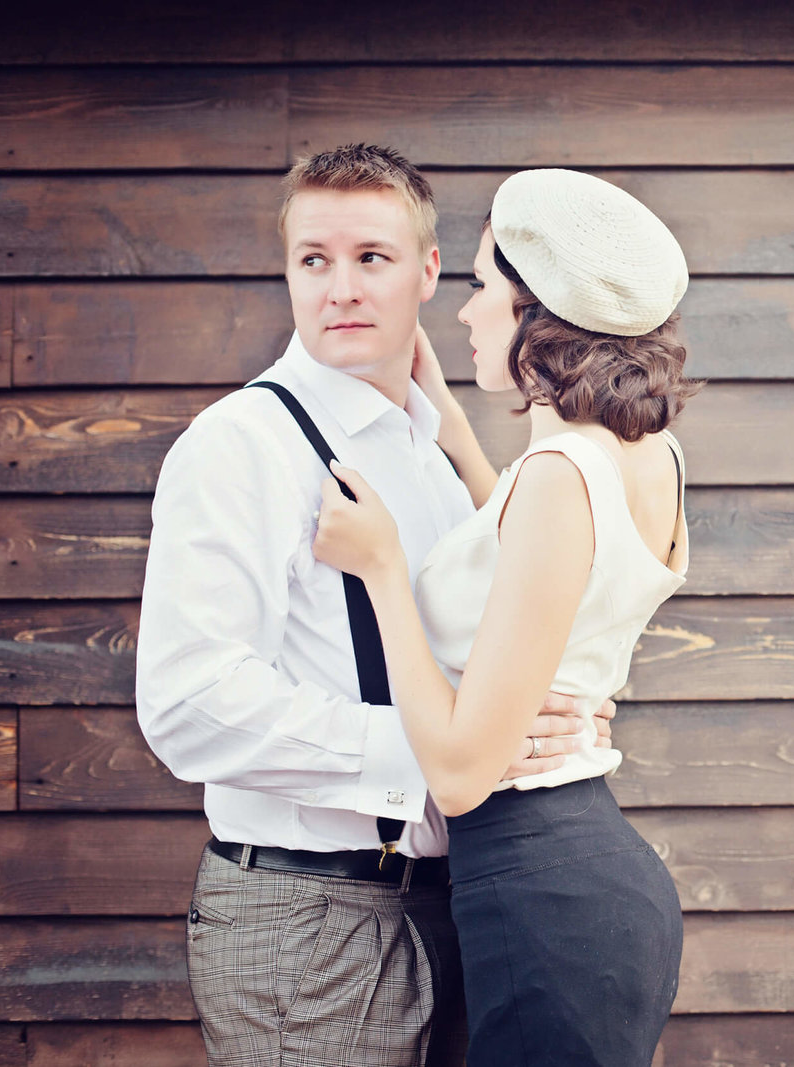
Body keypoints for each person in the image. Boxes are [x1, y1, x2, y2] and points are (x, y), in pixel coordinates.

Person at [136, 144, 615, 1067]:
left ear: (429, 271)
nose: (340, 288)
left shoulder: (433, 452)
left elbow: (490, 652)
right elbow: (188, 703)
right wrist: (440, 750)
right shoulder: (242, 445)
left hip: (461, 901)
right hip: (310, 923)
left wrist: (557, 718)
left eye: (372, 258)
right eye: (314, 260)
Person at [311, 167, 697, 1067]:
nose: (464, 312)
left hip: (542, 898)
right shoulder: (644, 456)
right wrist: (454, 428)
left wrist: (382, 570)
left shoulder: (560, 478)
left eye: (483, 286)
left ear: (536, 315)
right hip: (584, 879)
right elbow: (540, 567)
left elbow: (454, 775)